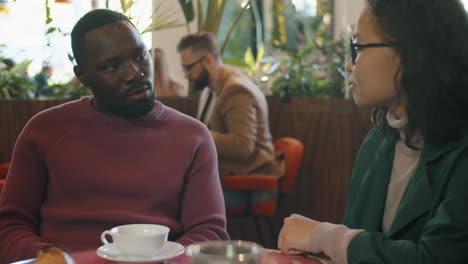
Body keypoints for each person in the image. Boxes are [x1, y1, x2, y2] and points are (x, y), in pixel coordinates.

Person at [0, 9, 228, 263]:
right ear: (82, 76)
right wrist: (61, 260)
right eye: (111, 66)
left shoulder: (192, 136)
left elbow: (210, 234)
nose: (134, 73)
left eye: (140, 55)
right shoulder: (44, 131)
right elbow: (8, 230)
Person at [278, 0, 468, 263]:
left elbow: (435, 258)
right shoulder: (379, 141)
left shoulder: (460, 151)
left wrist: (325, 236)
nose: (348, 65)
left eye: (358, 47)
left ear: (413, 52)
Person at [176, 32, 282, 179]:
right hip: (228, 172)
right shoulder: (209, 90)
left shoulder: (235, 90)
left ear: (208, 60)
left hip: (249, 175)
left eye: (188, 68)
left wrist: (198, 135)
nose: (186, 75)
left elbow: (243, 146)